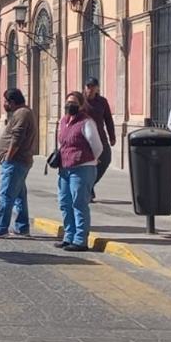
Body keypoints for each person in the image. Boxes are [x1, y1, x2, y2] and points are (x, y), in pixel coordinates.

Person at [55, 91, 105, 251]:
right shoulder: (63, 121)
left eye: (74, 103)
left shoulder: (86, 122)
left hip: (82, 168)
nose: (70, 106)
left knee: (79, 203)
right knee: (65, 203)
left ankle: (80, 239)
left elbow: (97, 146)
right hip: (64, 169)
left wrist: (89, 159)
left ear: (81, 105)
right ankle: (68, 236)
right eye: (68, 102)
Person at [0, 88, 38, 238]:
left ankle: (0, 228)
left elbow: (17, 136)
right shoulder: (24, 112)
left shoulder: (22, 113)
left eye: (5, 101)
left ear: (12, 102)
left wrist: (8, 156)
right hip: (19, 161)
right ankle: (22, 227)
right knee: (20, 196)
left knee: (6, 194)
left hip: (16, 161)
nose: (4, 104)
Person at [84, 77, 117, 200]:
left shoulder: (102, 102)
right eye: (88, 86)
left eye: (92, 86)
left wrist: (112, 136)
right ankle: (86, 189)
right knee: (87, 164)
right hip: (85, 139)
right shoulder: (81, 101)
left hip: (100, 137)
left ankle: (89, 185)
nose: (90, 89)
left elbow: (108, 119)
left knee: (106, 158)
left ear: (97, 88)